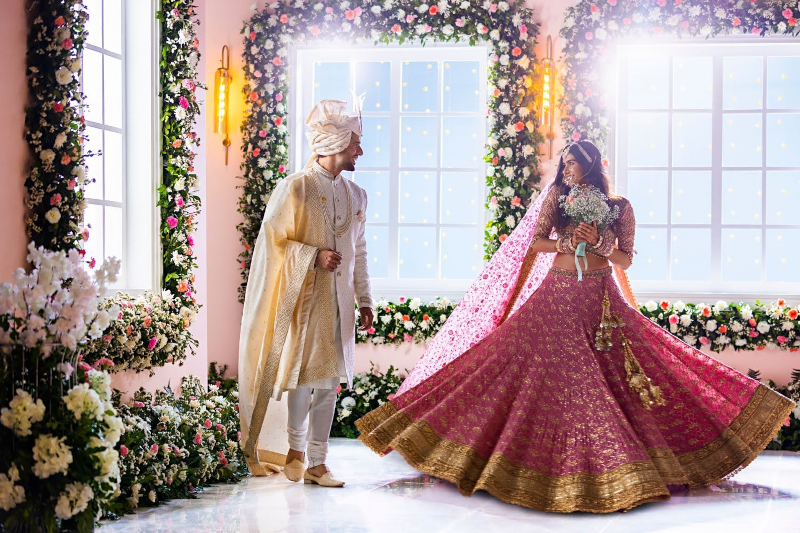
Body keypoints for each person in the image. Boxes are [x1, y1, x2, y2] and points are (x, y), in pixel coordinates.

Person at [356, 140, 795, 513]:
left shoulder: (620, 207)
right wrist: (569, 240)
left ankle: (636, 463)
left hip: (600, 300)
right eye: (563, 163)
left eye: (572, 162)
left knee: (641, 365)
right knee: (504, 363)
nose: (565, 169)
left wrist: (599, 242)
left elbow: (624, 258)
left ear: (591, 165)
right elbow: (536, 242)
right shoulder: (557, 200)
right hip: (554, 296)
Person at [239, 99, 374, 487]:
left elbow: (359, 252)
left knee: (330, 383)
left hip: (341, 305)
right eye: (355, 144)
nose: (359, 152)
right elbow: (272, 245)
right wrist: (314, 257)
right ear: (334, 144)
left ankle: (318, 461)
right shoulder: (295, 189)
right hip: (304, 302)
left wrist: (364, 299)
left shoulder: (357, 195)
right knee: (302, 378)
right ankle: (295, 454)